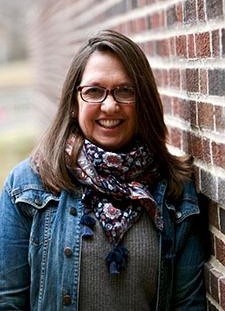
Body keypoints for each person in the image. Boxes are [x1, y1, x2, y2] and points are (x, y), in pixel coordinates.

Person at [0, 30, 207, 311]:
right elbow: (8, 302)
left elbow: (188, 306)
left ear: (143, 101)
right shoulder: (27, 186)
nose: (110, 106)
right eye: (94, 91)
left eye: (125, 90)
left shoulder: (175, 192)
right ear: (74, 103)